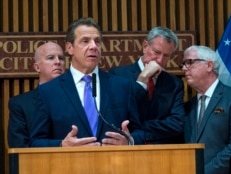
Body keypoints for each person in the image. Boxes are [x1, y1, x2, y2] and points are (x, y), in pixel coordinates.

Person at [30, 17, 144, 147]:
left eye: (97, 41)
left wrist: (129, 141)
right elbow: (36, 142)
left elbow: (139, 132)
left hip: (115, 164)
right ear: (69, 47)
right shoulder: (49, 91)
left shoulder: (122, 86)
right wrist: (62, 145)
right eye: (85, 41)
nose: (94, 46)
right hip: (69, 165)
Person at [181, 45, 231, 174]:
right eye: (183, 64)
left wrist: (205, 171)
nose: (184, 68)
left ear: (209, 66)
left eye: (189, 62)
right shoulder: (189, 106)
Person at [109, 26, 185, 144]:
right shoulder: (117, 75)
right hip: (125, 151)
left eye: (166, 56)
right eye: (157, 52)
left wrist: (140, 130)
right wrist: (143, 78)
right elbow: (118, 114)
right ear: (145, 46)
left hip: (162, 152)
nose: (160, 60)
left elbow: (177, 124)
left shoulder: (174, 84)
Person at [8, 42, 66, 147]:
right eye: (50, 58)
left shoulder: (77, 97)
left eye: (61, 58)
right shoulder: (20, 104)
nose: (58, 62)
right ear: (37, 67)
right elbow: (19, 146)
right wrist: (60, 144)